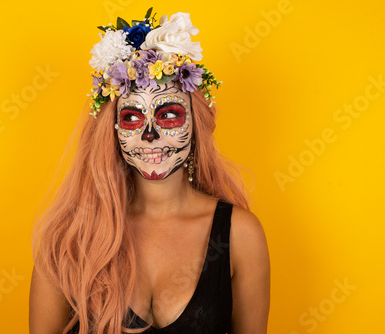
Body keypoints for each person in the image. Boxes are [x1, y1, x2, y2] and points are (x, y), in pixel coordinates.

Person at [30, 8, 270, 334]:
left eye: (169, 115)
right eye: (132, 117)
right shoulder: (68, 239)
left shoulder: (240, 235)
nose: (149, 135)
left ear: (197, 124)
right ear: (112, 129)